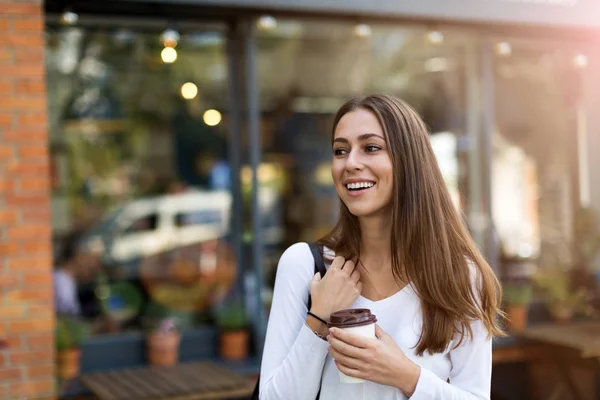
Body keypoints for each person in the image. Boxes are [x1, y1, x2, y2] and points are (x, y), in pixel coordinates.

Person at [259, 94, 504, 400]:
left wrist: (406, 376)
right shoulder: (306, 267)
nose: (350, 163)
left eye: (371, 147)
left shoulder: (460, 275)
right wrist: (319, 319)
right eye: (340, 150)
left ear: (409, 161)